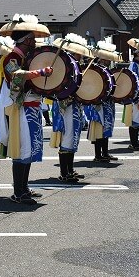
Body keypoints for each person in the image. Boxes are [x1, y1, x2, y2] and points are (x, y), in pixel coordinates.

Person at [0, 14, 52, 205]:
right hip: (20, 109)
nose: (35, 43)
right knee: (23, 149)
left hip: (31, 108)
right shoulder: (11, 57)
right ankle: (18, 192)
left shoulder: (26, 57)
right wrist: (40, 72)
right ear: (26, 40)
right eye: (33, 40)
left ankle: (24, 188)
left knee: (29, 149)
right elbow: (16, 76)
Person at [51, 34, 91, 182]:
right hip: (65, 105)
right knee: (68, 136)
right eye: (79, 54)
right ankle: (64, 173)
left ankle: (70, 169)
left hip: (74, 104)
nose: (81, 56)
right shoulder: (64, 64)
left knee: (73, 136)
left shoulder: (74, 64)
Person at [84, 38, 119, 164]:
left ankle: (105, 152)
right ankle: (98, 155)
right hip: (98, 103)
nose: (110, 61)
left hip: (107, 102)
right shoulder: (95, 69)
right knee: (99, 129)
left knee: (107, 128)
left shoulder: (105, 69)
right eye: (108, 59)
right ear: (103, 59)